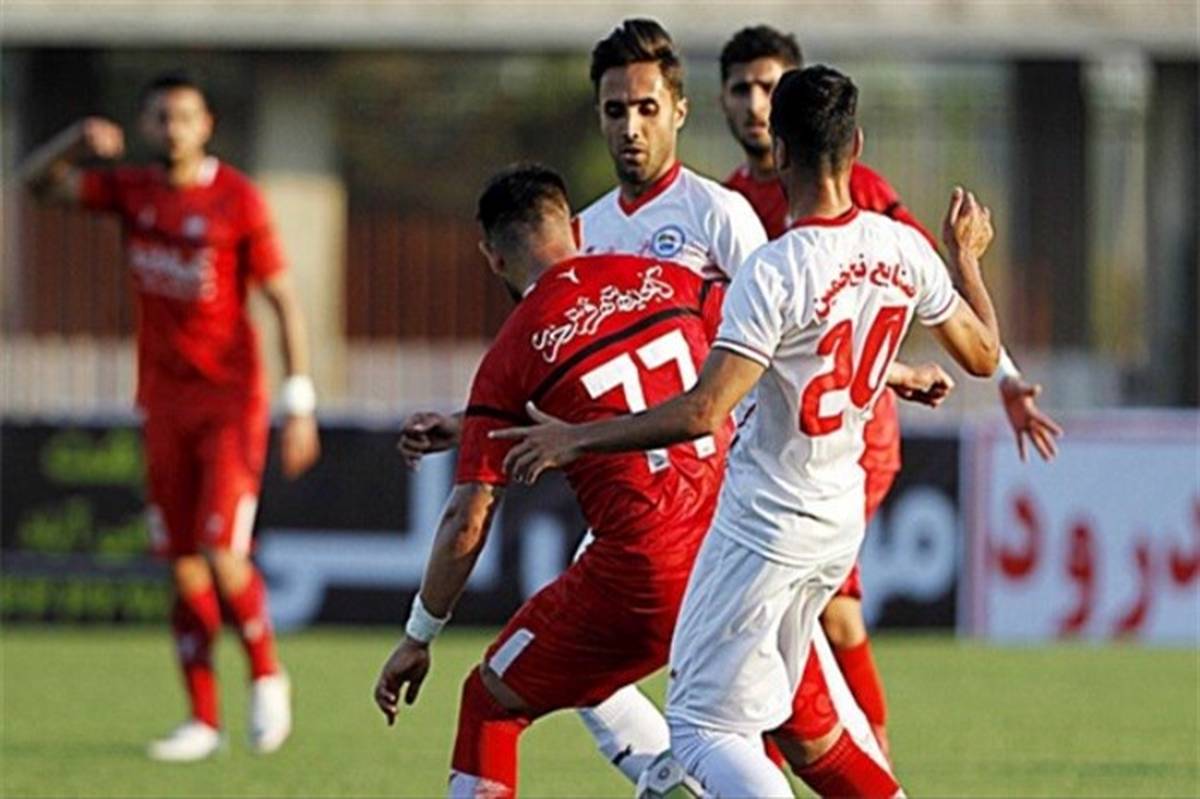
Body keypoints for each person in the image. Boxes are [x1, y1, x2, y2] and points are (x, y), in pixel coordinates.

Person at [398, 20, 895, 792]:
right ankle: (665, 771)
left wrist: (419, 633)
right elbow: (597, 374)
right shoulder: (617, 251)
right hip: (706, 521)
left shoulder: (718, 214)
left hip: (721, 507)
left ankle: (675, 771)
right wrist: (470, 426)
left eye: (646, 108)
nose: (630, 128)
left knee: (533, 694)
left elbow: (783, 333)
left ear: (678, 111)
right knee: (795, 726)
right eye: (614, 110)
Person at [493, 66, 1003, 798]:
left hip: (765, 522)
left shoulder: (774, 271)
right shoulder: (902, 248)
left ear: (781, 150)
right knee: (802, 723)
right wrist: (967, 261)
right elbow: (983, 354)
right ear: (856, 145)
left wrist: (575, 440)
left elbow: (703, 410)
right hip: (838, 519)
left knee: (700, 729)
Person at [717, 25, 1064, 758]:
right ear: (721, 100)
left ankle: (858, 758)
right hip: (773, 438)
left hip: (848, 440)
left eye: (768, 87)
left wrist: (1004, 380)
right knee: (793, 625)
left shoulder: (862, 196)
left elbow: (927, 292)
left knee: (820, 616)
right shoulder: (726, 204)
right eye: (741, 88)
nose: (754, 103)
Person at [372, 163, 733, 798]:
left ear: (492, 258)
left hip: (647, 574)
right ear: (574, 229)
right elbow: (763, 346)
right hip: (736, 548)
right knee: (797, 732)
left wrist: (418, 637)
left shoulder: (513, 351)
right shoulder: (669, 278)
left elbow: (467, 519)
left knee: (490, 700)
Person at [19, 71, 320, 761]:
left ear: (206, 125)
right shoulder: (132, 191)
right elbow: (35, 186)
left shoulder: (237, 198)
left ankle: (267, 673)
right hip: (162, 402)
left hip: (230, 402)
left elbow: (283, 300)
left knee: (222, 553)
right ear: (145, 125)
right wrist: (74, 142)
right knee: (183, 566)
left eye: (185, 116)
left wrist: (299, 401)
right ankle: (203, 720)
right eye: (160, 116)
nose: (173, 128)